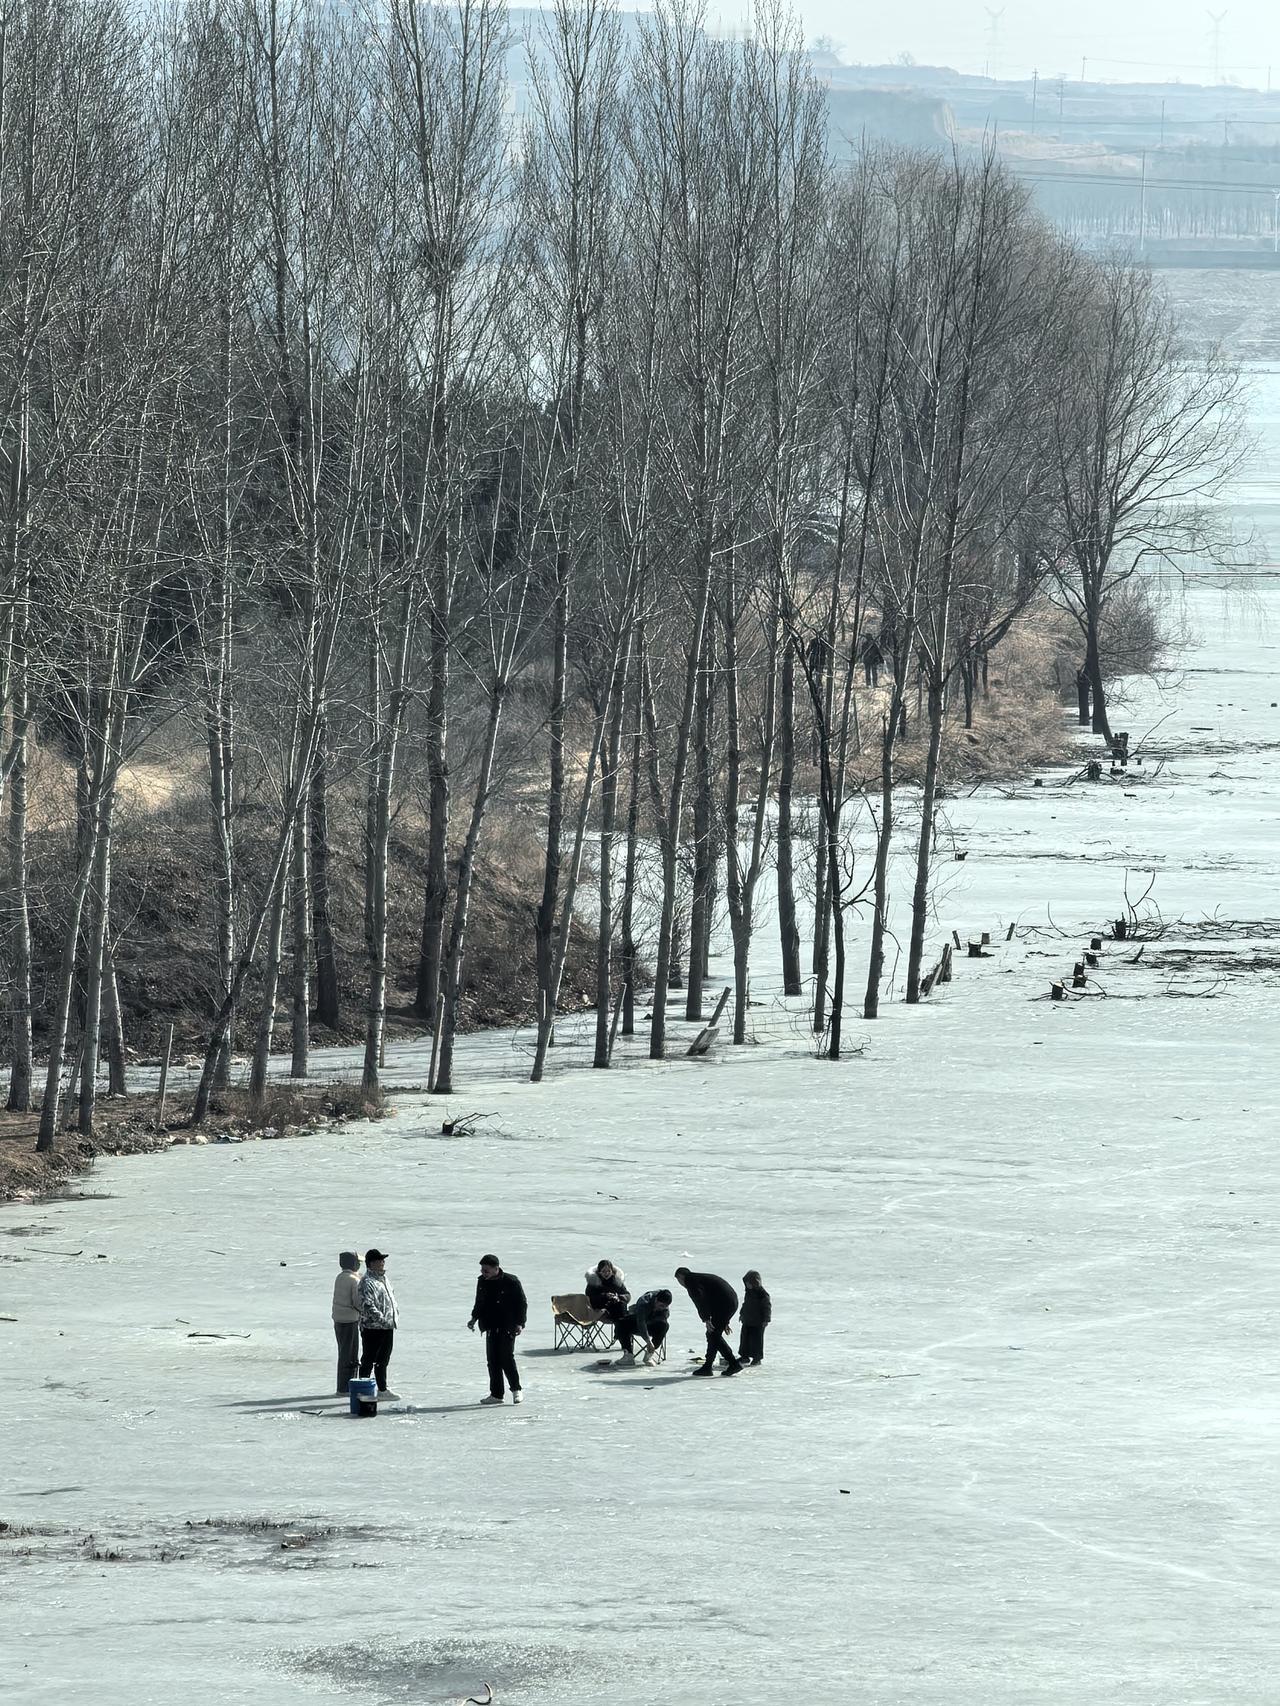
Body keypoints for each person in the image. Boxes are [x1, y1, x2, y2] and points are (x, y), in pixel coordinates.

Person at [468, 1254, 528, 1405]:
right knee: (492, 1361)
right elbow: (479, 1302)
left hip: (507, 1325)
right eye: (482, 1269)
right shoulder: (482, 1281)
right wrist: (474, 1318)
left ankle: (516, 1390)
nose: (483, 1272)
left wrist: (520, 1323)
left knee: (506, 1358)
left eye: (486, 1270)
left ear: (496, 1269)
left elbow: (522, 1303)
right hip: (490, 1325)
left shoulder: (511, 1281)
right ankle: (496, 1395)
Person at [675, 1266, 742, 1376]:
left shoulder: (691, 1282)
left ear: (681, 1277)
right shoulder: (698, 1278)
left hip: (724, 1304)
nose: (680, 1284)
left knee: (713, 1335)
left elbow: (700, 1301)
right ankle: (708, 1366)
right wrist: (724, 1321)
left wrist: (706, 1320)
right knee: (713, 1334)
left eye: (678, 1280)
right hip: (728, 1302)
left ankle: (732, 1363)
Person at [357, 1248, 398, 1398]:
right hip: (373, 1328)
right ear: (371, 1263)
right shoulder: (367, 1282)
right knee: (368, 1359)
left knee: (383, 1360)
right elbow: (367, 1305)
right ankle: (362, 1389)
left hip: (387, 1326)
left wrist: (392, 1319)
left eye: (383, 1260)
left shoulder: (383, 1279)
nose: (383, 1262)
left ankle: (382, 1389)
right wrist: (381, 1319)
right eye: (380, 1260)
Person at [585, 1258, 633, 1358]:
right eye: (604, 1271)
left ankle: (620, 1331)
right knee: (621, 1314)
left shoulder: (617, 1282)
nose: (606, 1273)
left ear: (612, 1271)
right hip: (601, 1309)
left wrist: (619, 1297)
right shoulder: (593, 1283)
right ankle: (621, 1334)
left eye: (608, 1271)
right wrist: (605, 1296)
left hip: (616, 1308)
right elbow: (590, 1300)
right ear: (599, 1272)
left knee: (621, 1306)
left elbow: (627, 1295)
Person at [331, 1251, 362, 1395]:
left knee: (343, 1353)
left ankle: (342, 1386)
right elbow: (356, 1302)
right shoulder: (353, 1280)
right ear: (354, 1264)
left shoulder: (340, 1277)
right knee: (350, 1355)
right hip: (350, 1320)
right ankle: (345, 1388)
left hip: (338, 1319)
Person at [628, 1288, 672, 1365]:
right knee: (621, 1322)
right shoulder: (644, 1301)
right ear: (656, 1300)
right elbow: (641, 1322)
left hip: (653, 1322)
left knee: (664, 1325)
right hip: (637, 1320)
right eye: (661, 1305)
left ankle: (649, 1354)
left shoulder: (664, 1306)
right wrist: (648, 1341)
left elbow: (664, 1318)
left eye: (665, 1306)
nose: (662, 1308)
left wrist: (658, 1313)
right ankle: (628, 1354)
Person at [738, 1270, 772, 1365]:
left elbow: (767, 1307)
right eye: (746, 1283)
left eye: (749, 1283)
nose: (747, 1285)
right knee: (744, 1339)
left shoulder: (762, 1294)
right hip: (747, 1320)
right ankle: (744, 1356)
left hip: (758, 1322)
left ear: (755, 1283)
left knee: (757, 1341)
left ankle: (757, 1358)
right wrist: (741, 1314)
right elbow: (745, 1304)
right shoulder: (748, 1292)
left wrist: (766, 1319)